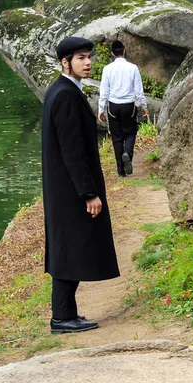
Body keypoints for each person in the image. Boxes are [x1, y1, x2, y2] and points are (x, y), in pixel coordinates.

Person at [42, 36, 120, 334]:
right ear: (65, 62)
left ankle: (66, 313)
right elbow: (71, 149)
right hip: (70, 190)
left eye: (89, 57)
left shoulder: (63, 91)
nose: (88, 63)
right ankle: (61, 317)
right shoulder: (64, 94)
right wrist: (89, 193)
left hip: (65, 187)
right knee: (69, 249)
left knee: (69, 247)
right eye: (80, 58)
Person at [97, 40, 149, 177]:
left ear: (112, 53)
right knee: (131, 132)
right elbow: (139, 90)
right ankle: (127, 152)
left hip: (113, 106)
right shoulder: (133, 68)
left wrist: (101, 109)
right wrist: (144, 106)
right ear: (124, 51)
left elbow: (104, 91)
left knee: (116, 137)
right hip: (129, 105)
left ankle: (121, 171)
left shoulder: (107, 69)